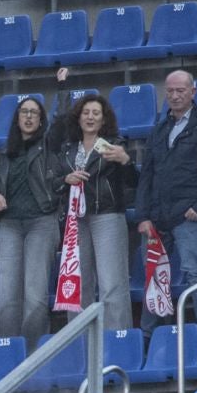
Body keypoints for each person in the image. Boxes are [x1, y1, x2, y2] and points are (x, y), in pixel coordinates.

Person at [136, 71, 197, 335]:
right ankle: (149, 337)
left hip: (189, 216)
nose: (175, 96)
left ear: (193, 92)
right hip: (156, 217)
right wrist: (143, 216)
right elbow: (147, 175)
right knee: (154, 274)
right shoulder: (159, 129)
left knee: (195, 274)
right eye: (170, 91)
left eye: (180, 90)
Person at [46, 92, 135, 330]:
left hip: (107, 215)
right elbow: (52, 183)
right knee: (76, 281)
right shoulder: (66, 149)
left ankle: (118, 340)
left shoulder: (116, 144)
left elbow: (134, 181)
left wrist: (126, 160)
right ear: (78, 118)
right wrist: (66, 179)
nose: (90, 117)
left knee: (111, 284)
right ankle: (78, 341)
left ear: (104, 119)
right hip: (75, 220)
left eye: (96, 113)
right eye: (86, 113)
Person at [0, 96, 60, 347]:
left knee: (35, 294)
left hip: (41, 221)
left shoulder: (49, 143)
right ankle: (7, 349)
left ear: (41, 120)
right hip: (10, 223)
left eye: (34, 113)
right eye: (24, 112)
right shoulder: (6, 151)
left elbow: (61, 120)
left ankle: (33, 352)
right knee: (7, 294)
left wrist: (60, 88)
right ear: (17, 119)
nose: (29, 117)